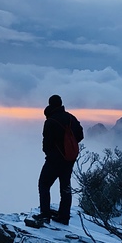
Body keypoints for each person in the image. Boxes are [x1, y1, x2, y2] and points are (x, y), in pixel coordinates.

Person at [38, 94, 84, 225]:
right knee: (65, 187)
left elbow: (47, 143)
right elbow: (80, 135)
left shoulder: (50, 121)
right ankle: (64, 217)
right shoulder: (71, 118)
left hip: (54, 160)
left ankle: (45, 215)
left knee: (44, 184)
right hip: (69, 159)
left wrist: (51, 152)